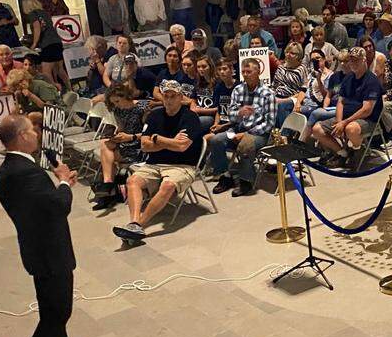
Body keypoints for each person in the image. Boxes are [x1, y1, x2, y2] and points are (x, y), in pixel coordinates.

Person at [0, 114, 111, 337]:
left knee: (51, 309)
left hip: (38, 248)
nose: (37, 133)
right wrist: (64, 183)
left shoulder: (12, 168)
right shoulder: (25, 173)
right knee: (58, 312)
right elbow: (58, 207)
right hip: (48, 252)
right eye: (32, 130)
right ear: (22, 136)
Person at [112, 81, 204, 242]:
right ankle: (134, 223)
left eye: (173, 96)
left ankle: (139, 224)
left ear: (181, 97)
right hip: (154, 164)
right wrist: (169, 142)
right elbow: (144, 146)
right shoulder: (155, 115)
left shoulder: (190, 117)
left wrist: (157, 139)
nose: (169, 100)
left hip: (183, 165)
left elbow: (182, 147)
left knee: (168, 185)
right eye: (166, 96)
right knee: (133, 181)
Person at [208, 58, 276, 196]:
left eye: (249, 71)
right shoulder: (238, 90)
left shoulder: (268, 94)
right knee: (216, 140)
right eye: (243, 72)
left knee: (245, 145)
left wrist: (247, 134)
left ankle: (246, 181)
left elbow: (269, 124)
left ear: (258, 72)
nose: (245, 74)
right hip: (238, 129)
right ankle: (226, 175)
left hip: (260, 134)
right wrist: (239, 113)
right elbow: (230, 116)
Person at [310, 46, 383, 171]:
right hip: (345, 117)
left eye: (356, 60)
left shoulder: (371, 81)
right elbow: (340, 102)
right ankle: (343, 153)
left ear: (364, 60)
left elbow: (367, 110)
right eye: (351, 60)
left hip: (368, 119)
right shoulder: (349, 78)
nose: (352, 63)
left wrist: (344, 123)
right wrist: (339, 121)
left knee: (351, 128)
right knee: (317, 129)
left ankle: (357, 151)